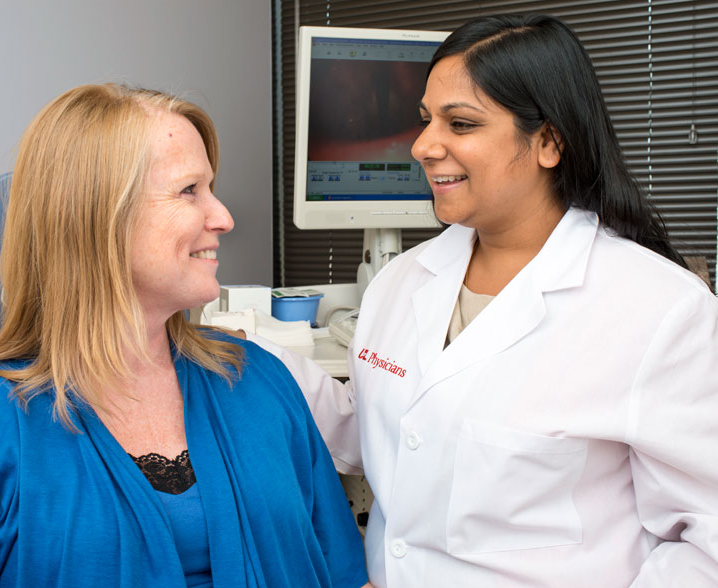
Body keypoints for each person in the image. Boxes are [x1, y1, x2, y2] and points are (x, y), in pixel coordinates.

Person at [250, 13, 718, 587]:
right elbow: (391, 434)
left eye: (461, 123)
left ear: (549, 141)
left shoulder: (658, 309)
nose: (422, 146)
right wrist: (244, 353)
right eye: (426, 119)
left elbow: (707, 540)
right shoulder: (403, 281)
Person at [0, 83, 370, 588]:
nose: (223, 218)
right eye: (189, 190)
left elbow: (347, 576)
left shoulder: (260, 381)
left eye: (211, 188)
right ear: (94, 216)